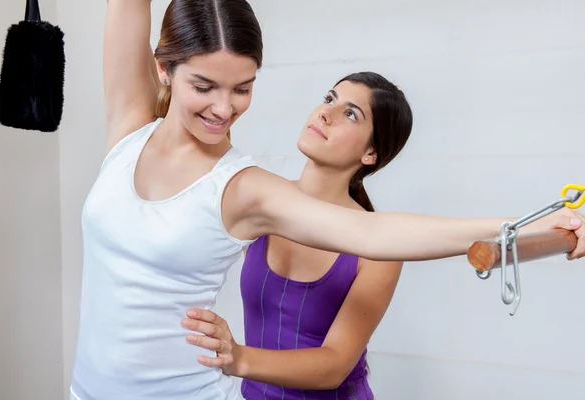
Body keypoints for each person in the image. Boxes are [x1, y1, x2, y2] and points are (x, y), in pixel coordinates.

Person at [69, 1, 585, 399]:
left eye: (243, 89)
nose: (224, 109)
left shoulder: (241, 187)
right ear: (165, 70)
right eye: (205, 86)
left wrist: (527, 223)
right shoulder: (129, 128)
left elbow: (374, 235)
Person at [182, 71, 408, 400]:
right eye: (329, 98)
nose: (324, 112)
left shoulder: (376, 246)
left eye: (349, 113)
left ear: (370, 154)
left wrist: (240, 357)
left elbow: (335, 365)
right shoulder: (263, 201)